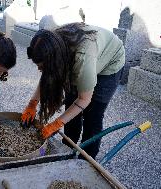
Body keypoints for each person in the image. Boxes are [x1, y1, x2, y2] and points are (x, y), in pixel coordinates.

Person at [21, 23, 125, 159]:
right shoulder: (54, 42)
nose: (39, 70)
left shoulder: (82, 59)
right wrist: (32, 104)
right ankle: (67, 150)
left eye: (41, 66)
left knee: (93, 115)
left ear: (55, 61)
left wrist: (56, 124)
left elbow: (84, 99)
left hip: (109, 62)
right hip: (84, 59)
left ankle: (86, 159)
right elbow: (47, 73)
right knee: (71, 109)